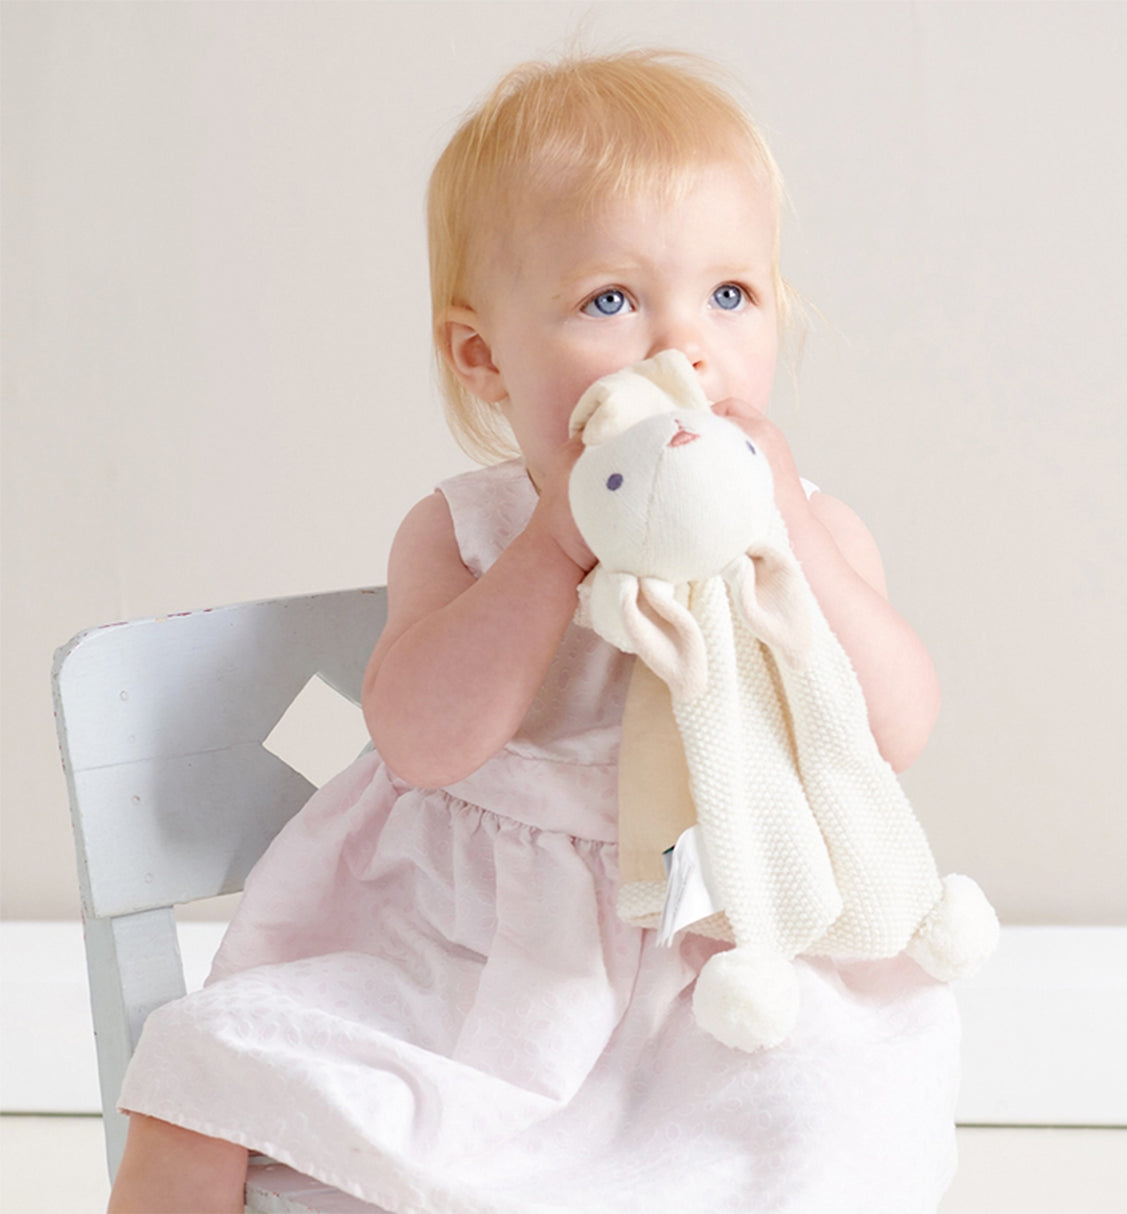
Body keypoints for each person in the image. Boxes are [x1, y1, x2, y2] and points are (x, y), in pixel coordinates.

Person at [108, 50, 960, 1214]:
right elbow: (420, 740)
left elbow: (894, 727)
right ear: (484, 357)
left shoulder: (804, 526)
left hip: (708, 965)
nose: (684, 348)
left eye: (730, 295)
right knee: (204, 1072)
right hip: (464, 961)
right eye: (611, 301)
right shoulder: (465, 534)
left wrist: (790, 531)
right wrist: (553, 549)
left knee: (830, 1110)